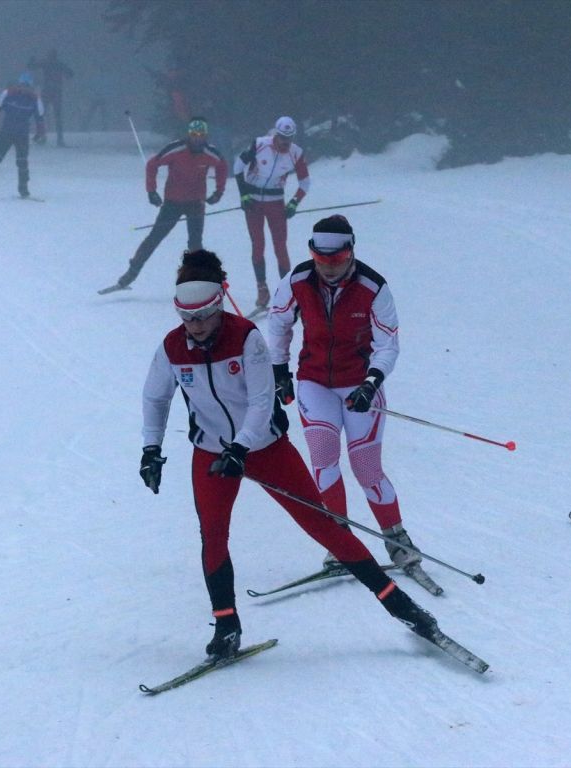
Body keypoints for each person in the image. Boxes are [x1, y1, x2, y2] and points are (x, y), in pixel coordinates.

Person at [139, 248, 439, 660]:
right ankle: (227, 625)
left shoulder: (246, 338)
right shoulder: (173, 348)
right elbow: (155, 398)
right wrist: (150, 450)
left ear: (219, 306)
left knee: (325, 527)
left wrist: (242, 446)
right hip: (212, 455)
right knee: (213, 537)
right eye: (186, 318)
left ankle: (403, 608)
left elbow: (262, 403)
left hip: (265, 449)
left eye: (204, 317)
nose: (195, 327)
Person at [266, 214, 425, 574]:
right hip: (314, 381)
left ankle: (397, 541)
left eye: (335, 260)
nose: (327, 267)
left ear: (350, 251)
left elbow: (388, 345)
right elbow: (278, 325)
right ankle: (340, 543)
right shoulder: (297, 281)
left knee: (366, 467)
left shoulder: (373, 286)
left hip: (359, 384)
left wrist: (372, 382)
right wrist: (280, 371)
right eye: (320, 258)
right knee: (323, 458)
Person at [105, 118, 227, 292]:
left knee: (195, 243)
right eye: (194, 135)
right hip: (173, 202)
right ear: (189, 135)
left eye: (201, 136)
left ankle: (198, 280)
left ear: (206, 136)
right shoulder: (176, 149)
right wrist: (151, 191)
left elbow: (222, 167)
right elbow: (152, 164)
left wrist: (218, 192)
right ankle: (129, 275)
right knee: (155, 237)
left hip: (196, 202)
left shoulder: (210, 152)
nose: (197, 139)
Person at [234, 116, 310, 310]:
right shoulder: (260, 144)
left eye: (290, 138)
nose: (286, 142)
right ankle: (262, 289)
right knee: (258, 244)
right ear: (276, 134)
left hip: (275, 202)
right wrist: (243, 195)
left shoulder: (296, 153)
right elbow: (238, 167)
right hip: (253, 202)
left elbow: (305, 182)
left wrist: (294, 203)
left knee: (280, 247)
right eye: (283, 137)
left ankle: (287, 292)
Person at [0, 72, 45, 199]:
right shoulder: (9, 93)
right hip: (6, 133)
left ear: (31, 87)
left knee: (22, 162)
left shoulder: (34, 99)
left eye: (27, 86)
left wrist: (39, 133)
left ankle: (23, 189)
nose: (24, 88)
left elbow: (39, 118)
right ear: (18, 84)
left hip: (22, 135)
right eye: (22, 85)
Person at [28, 48, 73, 146]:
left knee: (42, 114)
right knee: (57, 116)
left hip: (48, 91)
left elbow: (32, 66)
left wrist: (31, 60)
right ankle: (59, 139)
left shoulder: (46, 63)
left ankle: (41, 136)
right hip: (56, 91)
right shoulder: (59, 64)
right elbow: (70, 74)